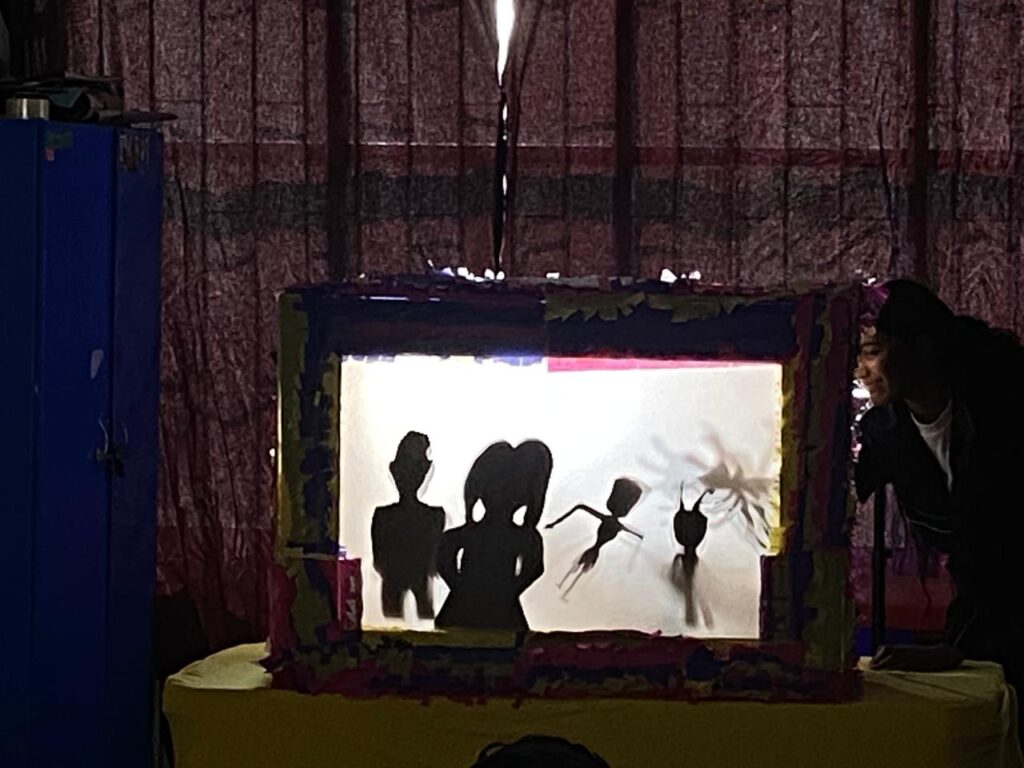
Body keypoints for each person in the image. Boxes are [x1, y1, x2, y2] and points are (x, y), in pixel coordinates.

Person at [854, 280, 1024, 701]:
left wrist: (958, 648)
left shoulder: (1003, 410)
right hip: (983, 625)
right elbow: (827, 499)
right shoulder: (884, 431)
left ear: (922, 347)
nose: (861, 370)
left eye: (873, 352)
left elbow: (1000, 551)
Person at [371, 431, 446, 620]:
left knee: (400, 613)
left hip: (400, 575)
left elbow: (379, 559)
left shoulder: (384, 517)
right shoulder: (433, 517)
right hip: (409, 575)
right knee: (413, 612)